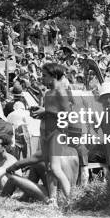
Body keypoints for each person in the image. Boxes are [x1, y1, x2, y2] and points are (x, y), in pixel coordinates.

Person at [30, 62, 74, 203]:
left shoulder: (61, 91)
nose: (41, 78)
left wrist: (45, 111)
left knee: (55, 168)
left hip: (56, 132)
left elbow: (67, 115)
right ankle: (53, 199)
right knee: (49, 167)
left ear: (53, 76)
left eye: (44, 75)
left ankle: (71, 199)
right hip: (45, 131)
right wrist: (40, 112)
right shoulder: (48, 93)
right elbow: (51, 112)